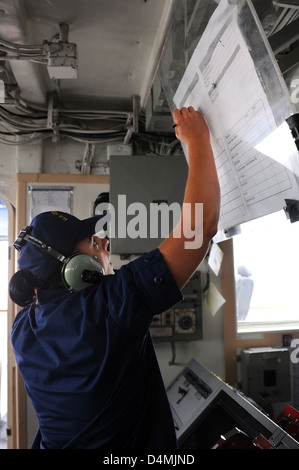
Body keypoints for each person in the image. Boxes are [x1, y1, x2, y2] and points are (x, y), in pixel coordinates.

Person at [9, 106, 220, 449]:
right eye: (94, 242)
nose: (105, 241)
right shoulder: (110, 306)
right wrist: (198, 142)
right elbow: (201, 229)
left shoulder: (23, 329)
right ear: (74, 269)